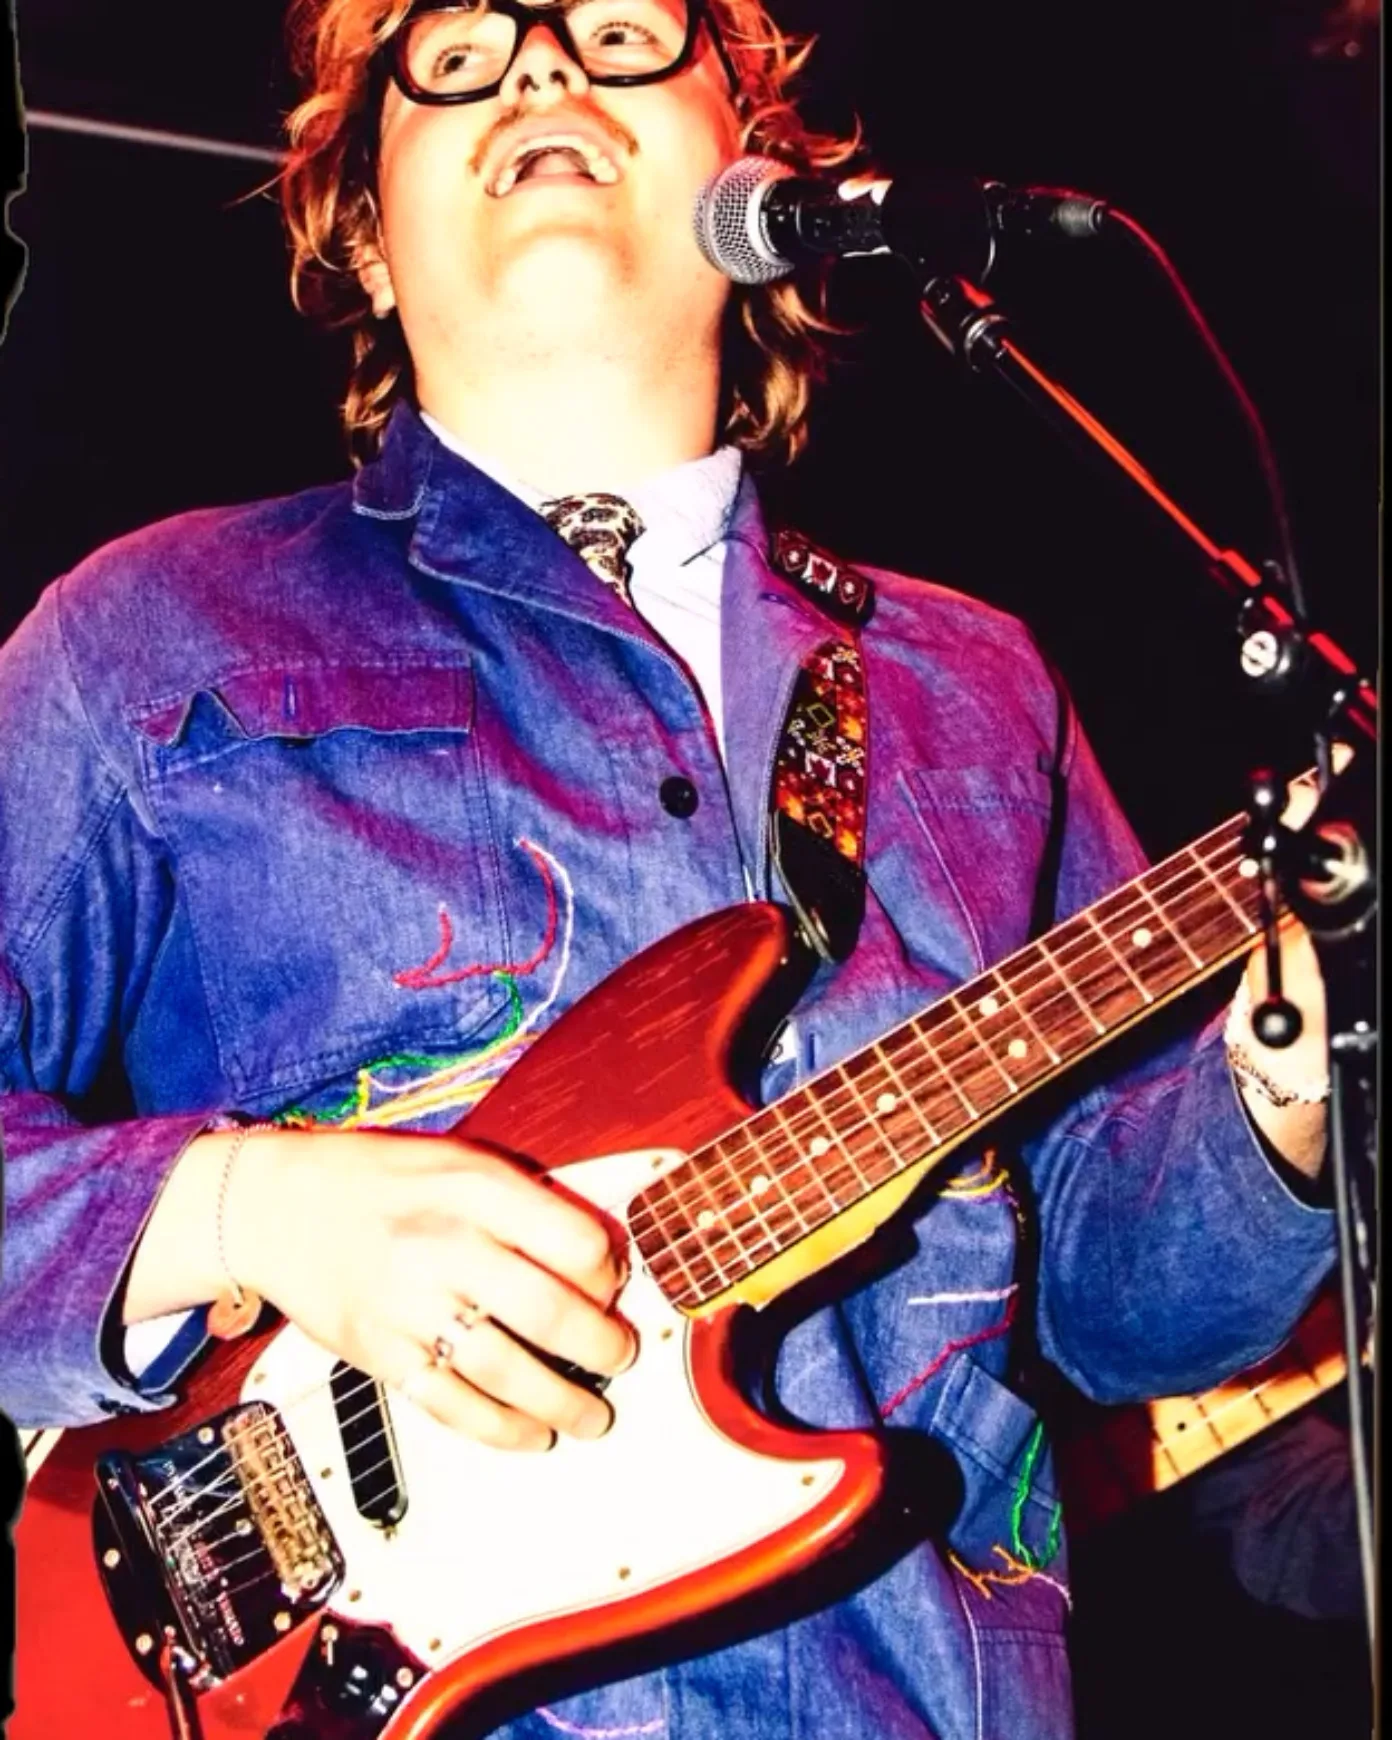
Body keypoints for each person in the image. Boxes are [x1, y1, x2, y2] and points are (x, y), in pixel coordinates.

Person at [0, 1, 1340, 1735]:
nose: (546, 68)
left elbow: (1116, 1307)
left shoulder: (980, 688)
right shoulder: (148, 637)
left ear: (756, 179)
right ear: (368, 236)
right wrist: (250, 1209)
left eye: (625, 31)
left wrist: (1282, 1087)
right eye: (459, 56)